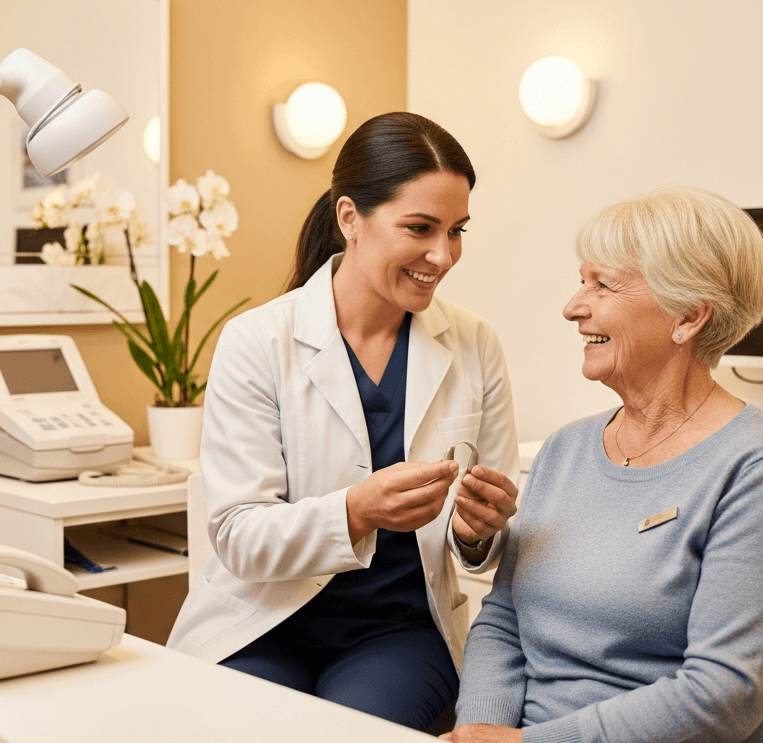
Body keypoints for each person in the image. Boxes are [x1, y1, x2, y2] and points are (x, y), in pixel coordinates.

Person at [165, 111, 521, 731]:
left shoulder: (473, 343)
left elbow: (489, 552)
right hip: (261, 620)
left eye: (457, 231)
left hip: (400, 632)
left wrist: (478, 532)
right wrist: (355, 511)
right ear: (350, 217)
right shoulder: (257, 341)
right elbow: (238, 535)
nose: (443, 255)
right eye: (420, 228)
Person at [447, 187, 763, 743]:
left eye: (602, 285)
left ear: (688, 317)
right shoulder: (565, 450)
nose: (573, 306)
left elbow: (724, 695)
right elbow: (505, 619)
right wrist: (481, 725)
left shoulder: (761, 468)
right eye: (582, 281)